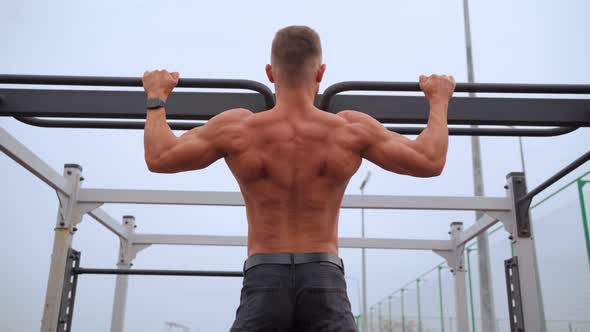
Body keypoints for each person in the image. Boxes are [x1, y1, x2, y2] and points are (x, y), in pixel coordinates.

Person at [142, 25, 455, 332]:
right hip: (324, 276)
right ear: (320, 73)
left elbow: (160, 156)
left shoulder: (237, 129)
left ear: (270, 73)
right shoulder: (349, 130)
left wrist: (157, 96)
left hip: (264, 276)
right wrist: (438, 101)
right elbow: (429, 160)